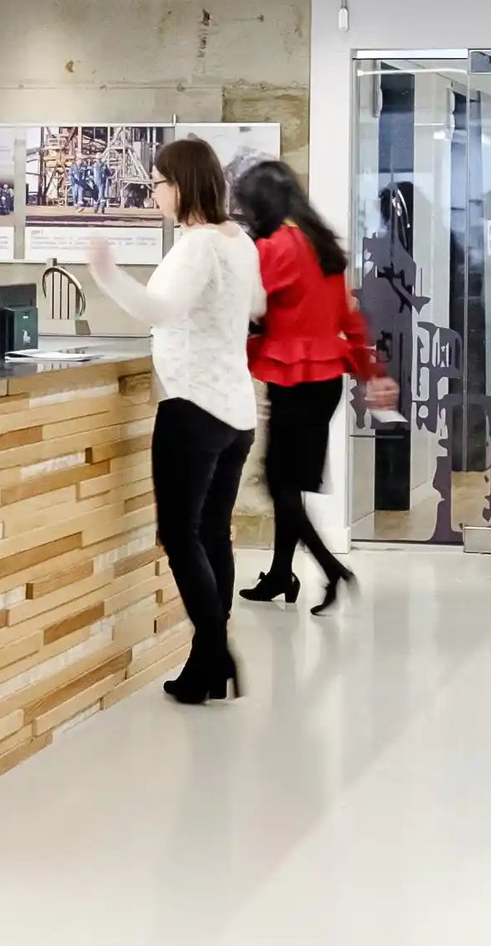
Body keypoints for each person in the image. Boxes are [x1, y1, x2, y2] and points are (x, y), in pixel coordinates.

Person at [86, 136, 265, 706]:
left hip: (193, 406)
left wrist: (105, 272)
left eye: (159, 183)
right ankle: (206, 666)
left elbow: (158, 310)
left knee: (180, 534)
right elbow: (257, 308)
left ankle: (214, 651)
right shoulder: (240, 242)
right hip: (236, 411)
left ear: (181, 185)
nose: (155, 192)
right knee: (213, 533)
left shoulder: (196, 245)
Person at [232, 160, 397, 613]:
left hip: (294, 378)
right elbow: (348, 318)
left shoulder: (275, 248)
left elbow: (249, 310)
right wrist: (373, 373)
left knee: (278, 484)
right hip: (324, 380)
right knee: (290, 481)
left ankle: (332, 570)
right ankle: (282, 574)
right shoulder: (321, 246)